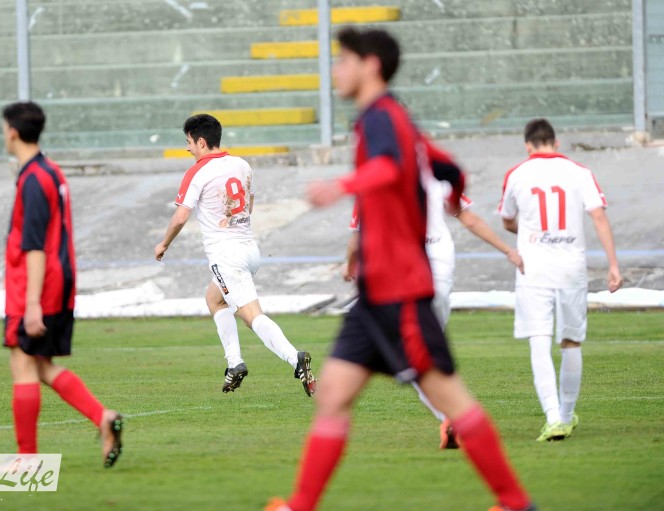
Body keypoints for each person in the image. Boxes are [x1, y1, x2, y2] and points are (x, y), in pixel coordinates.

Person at [266, 27, 535, 511]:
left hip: (402, 292)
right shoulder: (396, 118)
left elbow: (389, 166)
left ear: (370, 65)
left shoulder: (381, 118)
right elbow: (449, 168)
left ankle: (516, 502)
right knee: (333, 394)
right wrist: (450, 196)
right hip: (375, 294)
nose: (336, 70)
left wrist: (341, 186)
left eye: (343, 60)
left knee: (453, 401)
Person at [346, 163, 524, 449]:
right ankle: (455, 418)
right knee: (427, 354)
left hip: (405, 274)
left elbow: (358, 236)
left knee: (413, 357)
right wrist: (507, 250)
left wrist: (351, 266)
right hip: (440, 271)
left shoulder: (374, 181)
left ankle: (451, 418)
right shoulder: (436, 177)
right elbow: (469, 219)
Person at [154, 114, 316, 396]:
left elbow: (180, 216)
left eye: (189, 142)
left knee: (252, 316)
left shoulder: (197, 172)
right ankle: (234, 363)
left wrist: (163, 244)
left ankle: (295, 358)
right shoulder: (241, 164)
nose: (187, 148)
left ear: (201, 142)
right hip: (250, 251)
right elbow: (248, 206)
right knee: (214, 299)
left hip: (227, 256)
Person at [1, 101, 123, 467]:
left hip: (38, 285)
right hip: (56, 280)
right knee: (39, 365)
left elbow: (35, 244)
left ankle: (26, 461)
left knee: (23, 364)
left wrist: (32, 304)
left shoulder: (34, 179)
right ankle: (103, 417)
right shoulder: (49, 171)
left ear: (12, 132)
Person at [497, 118, 623, 441]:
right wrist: (613, 265)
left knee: (539, 339)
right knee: (571, 340)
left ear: (528, 145)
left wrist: (531, 231)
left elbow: (507, 220)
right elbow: (598, 216)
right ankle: (566, 416)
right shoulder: (579, 172)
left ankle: (553, 417)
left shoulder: (517, 174)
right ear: (557, 143)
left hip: (534, 268)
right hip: (571, 267)